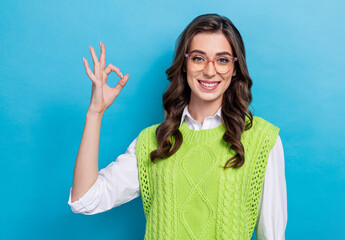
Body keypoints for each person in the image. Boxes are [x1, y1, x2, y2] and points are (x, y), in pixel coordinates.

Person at [68, 14, 287, 240]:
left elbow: (272, 235)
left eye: (222, 60)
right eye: (198, 58)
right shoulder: (153, 141)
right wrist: (95, 112)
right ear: (184, 64)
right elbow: (85, 200)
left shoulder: (262, 140)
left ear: (235, 68)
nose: (210, 71)